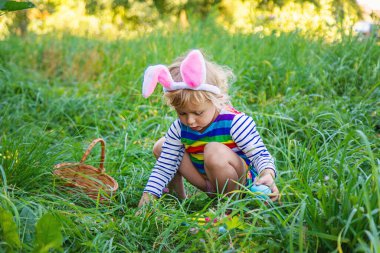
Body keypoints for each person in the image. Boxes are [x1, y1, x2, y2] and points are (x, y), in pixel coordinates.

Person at [138, 49, 279, 208]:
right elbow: (164, 166)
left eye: (198, 112)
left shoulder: (235, 122)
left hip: (240, 185)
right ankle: (178, 197)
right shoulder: (179, 128)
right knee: (162, 146)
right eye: (182, 113)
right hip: (207, 183)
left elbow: (259, 153)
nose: (190, 121)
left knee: (213, 150)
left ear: (217, 100)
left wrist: (267, 173)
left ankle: (229, 207)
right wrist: (147, 197)